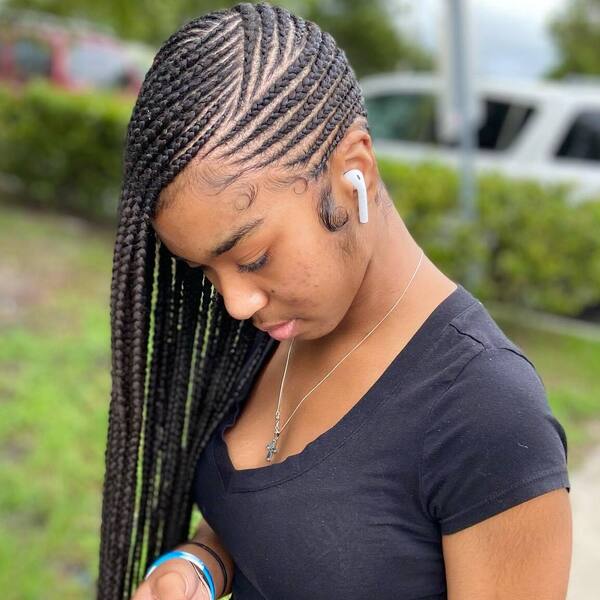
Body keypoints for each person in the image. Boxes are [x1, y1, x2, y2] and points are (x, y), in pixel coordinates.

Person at [97, 2, 572, 599]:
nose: (237, 302)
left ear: (355, 173)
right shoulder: (276, 327)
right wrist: (200, 564)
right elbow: (272, 522)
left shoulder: (485, 413)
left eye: (251, 258)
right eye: (206, 273)